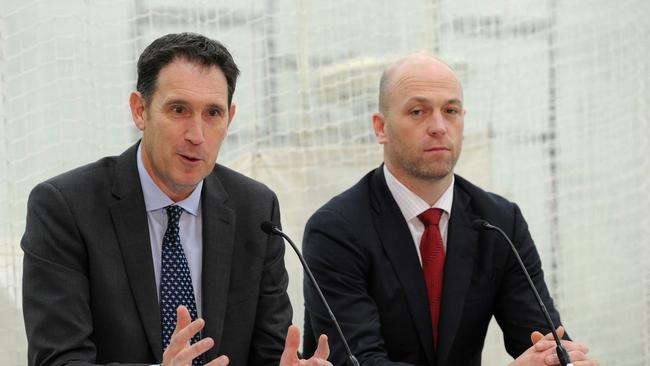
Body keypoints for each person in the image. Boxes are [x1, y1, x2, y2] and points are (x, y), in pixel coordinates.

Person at [21, 32, 330, 366]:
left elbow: (269, 351)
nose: (196, 135)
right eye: (179, 109)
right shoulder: (65, 208)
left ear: (230, 118)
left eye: (213, 113)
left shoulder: (255, 209)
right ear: (140, 111)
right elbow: (58, 359)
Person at [302, 54, 596, 366]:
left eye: (451, 111)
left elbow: (542, 338)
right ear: (381, 127)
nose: (439, 127)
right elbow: (359, 361)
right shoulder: (336, 230)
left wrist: (561, 359)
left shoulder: (499, 221)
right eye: (418, 112)